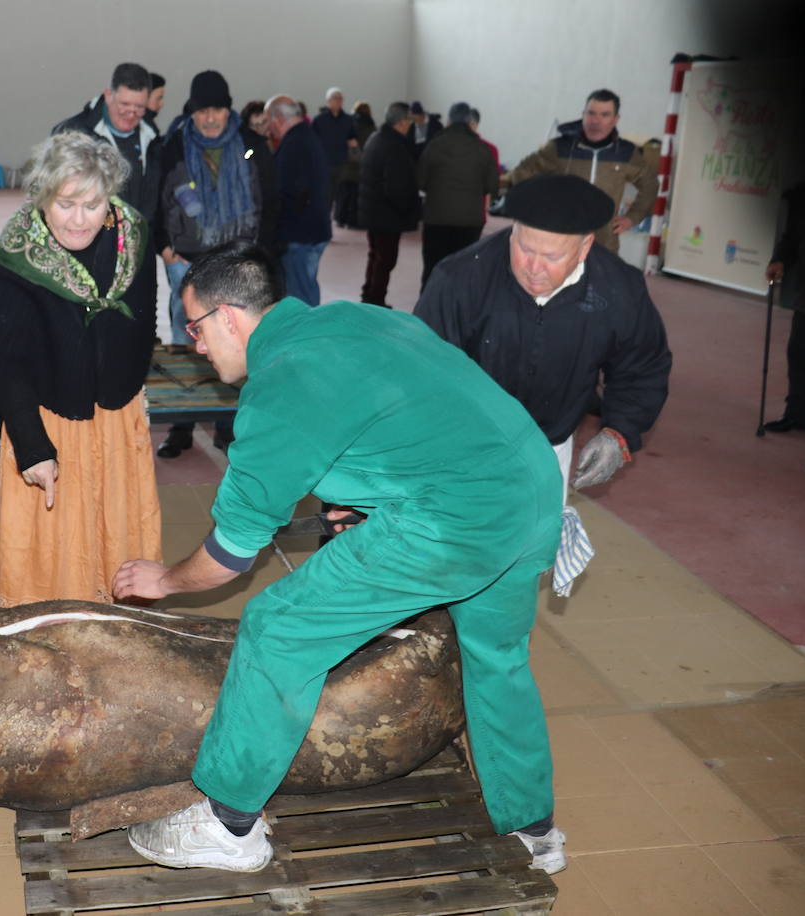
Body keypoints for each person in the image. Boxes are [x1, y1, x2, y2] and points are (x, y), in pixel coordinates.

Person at [113, 241, 566, 876]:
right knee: (497, 657)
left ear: (228, 318)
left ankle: (226, 825)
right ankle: (533, 830)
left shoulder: (278, 387)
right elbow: (424, 414)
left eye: (193, 327)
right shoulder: (357, 318)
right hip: (534, 492)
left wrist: (164, 579)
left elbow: (231, 554)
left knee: (279, 627)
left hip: (456, 518)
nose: (194, 345)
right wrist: (374, 497)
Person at [415, 174, 671, 593]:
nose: (533, 268)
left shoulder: (618, 288)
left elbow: (642, 365)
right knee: (445, 566)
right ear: (511, 232)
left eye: (551, 257)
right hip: (463, 447)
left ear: (586, 246)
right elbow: (420, 372)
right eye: (524, 248)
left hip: (549, 443)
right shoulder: (461, 278)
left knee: (520, 570)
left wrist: (619, 431)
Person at [0, 131, 159, 605]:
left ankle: (114, 619)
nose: (79, 220)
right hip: (42, 411)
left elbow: (146, 318)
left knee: (115, 528)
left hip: (113, 411)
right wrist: (33, 448)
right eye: (66, 204)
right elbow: (7, 363)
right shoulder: (16, 256)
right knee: (53, 548)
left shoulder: (134, 233)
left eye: (93, 205)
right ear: (44, 195)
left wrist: (131, 402)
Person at [154, 70, 278, 460]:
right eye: (203, 111)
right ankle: (182, 426)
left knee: (235, 345)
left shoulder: (252, 144)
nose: (210, 118)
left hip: (236, 264)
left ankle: (228, 425)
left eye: (218, 110)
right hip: (186, 263)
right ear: (192, 112)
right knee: (186, 344)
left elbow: (272, 200)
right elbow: (157, 198)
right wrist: (165, 247)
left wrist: (263, 253)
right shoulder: (173, 145)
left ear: (229, 109)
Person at [505, 89, 658, 253]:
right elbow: (522, 172)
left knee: (601, 279)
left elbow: (650, 183)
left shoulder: (626, 153)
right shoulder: (559, 148)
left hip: (604, 243)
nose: (596, 121)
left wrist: (632, 217)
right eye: (591, 113)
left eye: (604, 115)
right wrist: (539, 209)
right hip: (560, 240)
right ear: (583, 114)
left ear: (615, 119)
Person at [53, 62, 161, 221]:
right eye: (124, 104)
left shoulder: (151, 136)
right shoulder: (72, 133)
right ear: (108, 95)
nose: (131, 114)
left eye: (139, 107)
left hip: (137, 239)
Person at [416, 101, 498, 288]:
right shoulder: (482, 149)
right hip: (470, 221)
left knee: (433, 267)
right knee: (463, 270)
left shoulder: (434, 145)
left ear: (449, 120)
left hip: (436, 218)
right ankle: (457, 313)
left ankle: (427, 310)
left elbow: (420, 180)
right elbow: (491, 185)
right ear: (470, 122)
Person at [264, 95, 330, 306]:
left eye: (268, 121)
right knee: (305, 289)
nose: (268, 127)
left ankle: (307, 338)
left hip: (301, 235)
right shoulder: (305, 137)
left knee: (300, 298)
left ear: (278, 119)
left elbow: (291, 193)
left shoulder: (295, 144)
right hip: (312, 230)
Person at [762, 182, 805, 432]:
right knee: (800, 352)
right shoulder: (804, 197)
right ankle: (798, 414)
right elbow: (792, 237)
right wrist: (779, 259)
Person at [357, 102, 419, 306]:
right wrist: (408, 210)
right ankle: (375, 300)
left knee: (375, 256)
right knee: (385, 260)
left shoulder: (377, 138)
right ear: (401, 122)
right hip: (387, 214)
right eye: (409, 120)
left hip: (374, 210)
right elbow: (397, 186)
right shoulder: (395, 146)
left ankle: (369, 294)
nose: (411, 124)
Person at [310, 88, 357, 221]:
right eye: (335, 98)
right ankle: (323, 221)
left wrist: (354, 153)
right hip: (324, 162)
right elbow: (312, 140)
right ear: (328, 101)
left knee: (341, 193)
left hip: (342, 162)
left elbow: (352, 139)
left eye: (340, 98)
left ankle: (339, 219)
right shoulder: (319, 120)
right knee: (326, 195)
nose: (338, 101)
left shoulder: (348, 119)